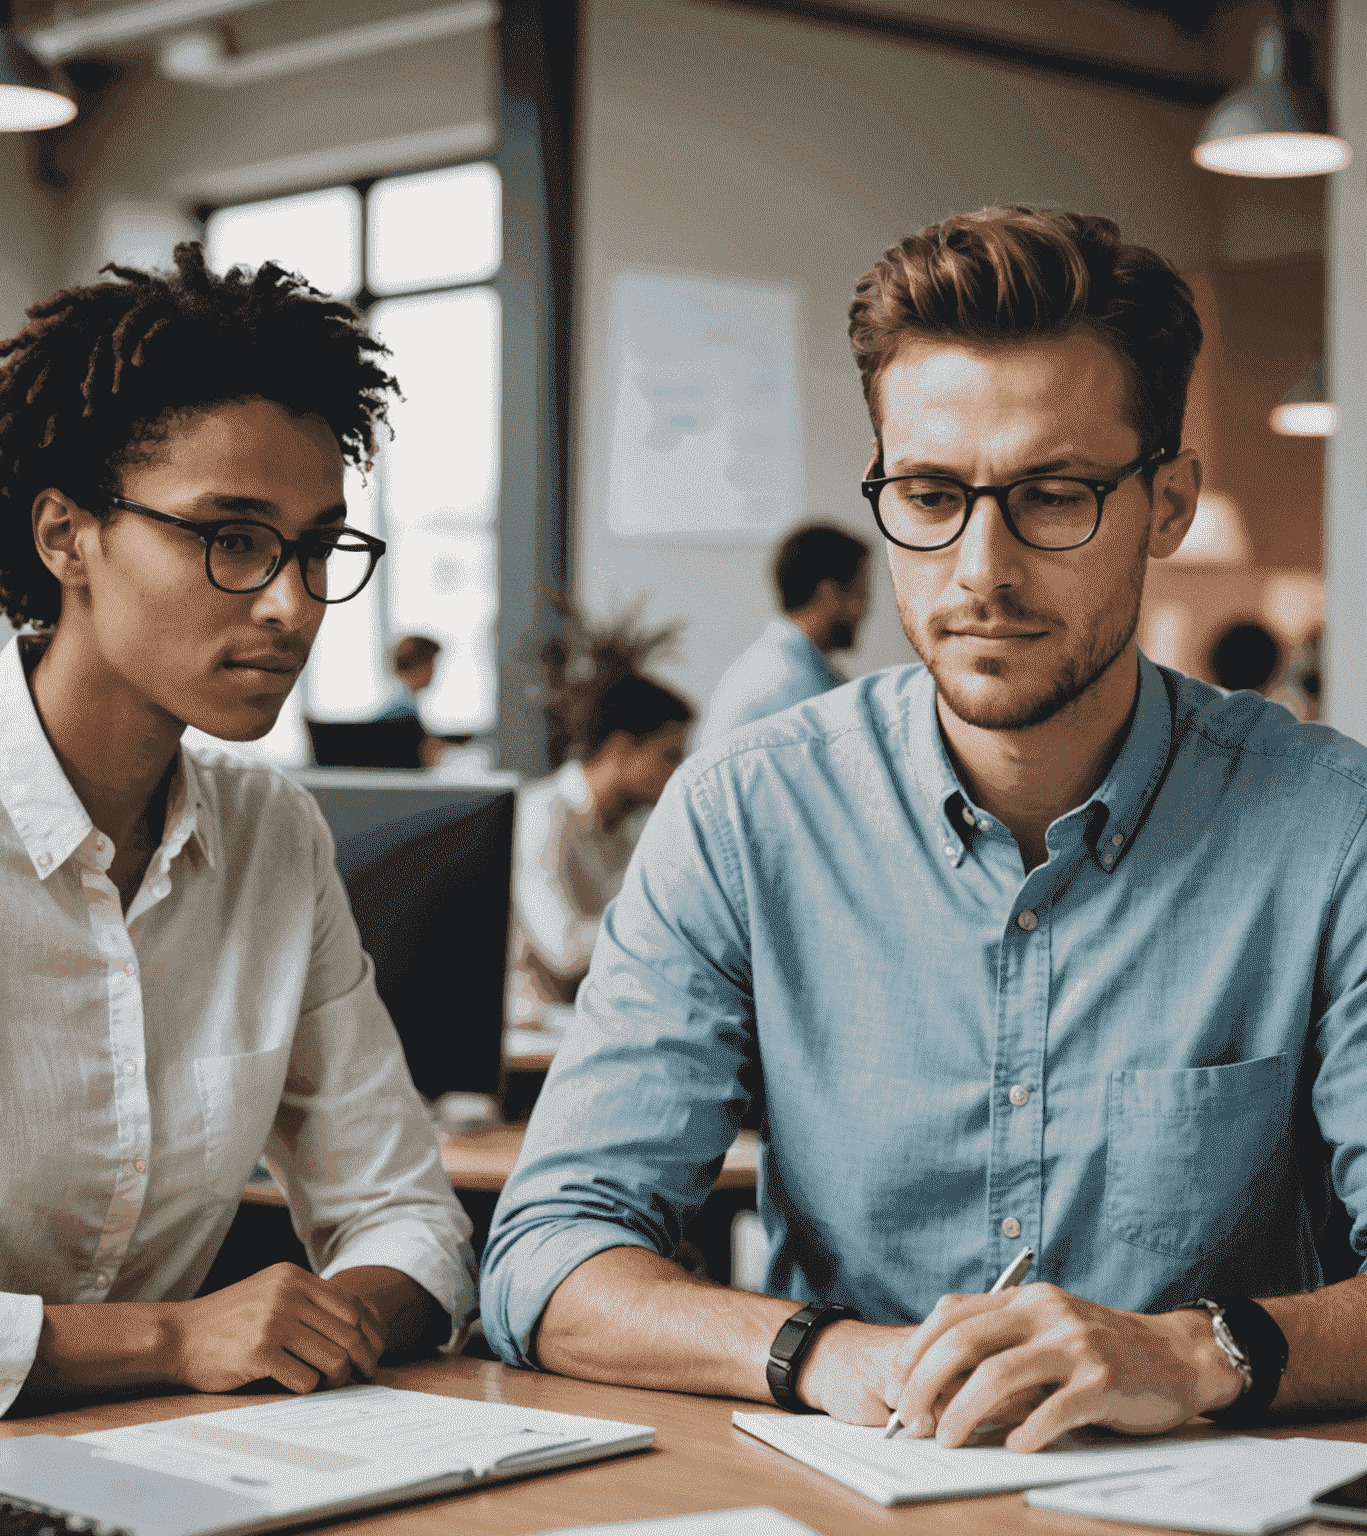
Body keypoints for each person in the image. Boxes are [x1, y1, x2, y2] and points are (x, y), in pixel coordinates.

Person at [481, 206, 1367, 1448]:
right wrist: (825, 1355)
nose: (979, 569)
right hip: (845, 1488)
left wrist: (1191, 1349)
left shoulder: (1333, 830)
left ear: (1168, 503)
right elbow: (549, 1254)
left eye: (1054, 496)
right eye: (931, 495)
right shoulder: (746, 815)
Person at [0, 244, 475, 1420]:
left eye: (320, 545)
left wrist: (330, 1320)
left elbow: (408, 1218)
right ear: (66, 535)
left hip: (162, 1469)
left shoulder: (275, 837)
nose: (293, 603)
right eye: (232, 537)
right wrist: (169, 1338)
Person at [508, 610, 694, 1025]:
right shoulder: (543, 815)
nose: (679, 773)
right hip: (534, 1030)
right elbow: (564, 948)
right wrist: (663, 920)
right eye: (669, 756)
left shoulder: (632, 830)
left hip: (596, 1020)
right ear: (620, 750)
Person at [699, 524, 870, 743]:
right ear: (829, 594)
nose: (864, 610)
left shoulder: (783, 662)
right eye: (862, 594)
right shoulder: (793, 683)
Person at [374, 634, 441, 722]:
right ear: (419, 667)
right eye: (430, 664)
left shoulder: (400, 702)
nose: (432, 672)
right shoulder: (404, 712)